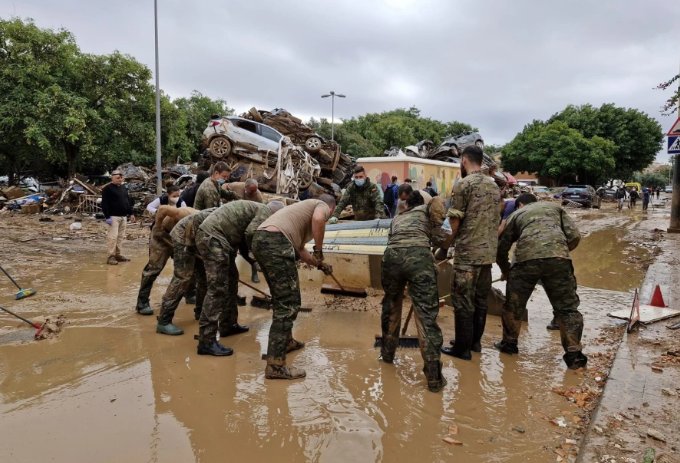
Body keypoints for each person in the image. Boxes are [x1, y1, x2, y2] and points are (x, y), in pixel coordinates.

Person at [495, 193, 587, 370]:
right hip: (558, 259)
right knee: (567, 308)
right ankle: (574, 355)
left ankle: (509, 344)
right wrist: (559, 252)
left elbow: (502, 247)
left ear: (520, 205)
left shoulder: (516, 215)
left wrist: (506, 270)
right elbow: (574, 236)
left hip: (524, 261)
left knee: (514, 305)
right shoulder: (555, 208)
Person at [252, 195, 336, 379]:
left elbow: (301, 251)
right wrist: (320, 251)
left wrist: (319, 264)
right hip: (276, 241)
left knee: (281, 298)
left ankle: (287, 342)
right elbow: (319, 219)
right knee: (289, 304)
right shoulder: (321, 205)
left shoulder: (299, 213)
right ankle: (275, 365)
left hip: (261, 239)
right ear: (333, 209)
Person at [194, 200, 285, 356]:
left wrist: (254, 261)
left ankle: (228, 325)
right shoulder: (264, 211)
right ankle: (206, 340)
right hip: (214, 238)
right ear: (275, 212)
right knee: (217, 288)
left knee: (231, 279)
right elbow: (251, 234)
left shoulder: (255, 213)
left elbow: (244, 244)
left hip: (220, 239)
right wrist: (257, 255)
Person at [380, 191, 448, 392]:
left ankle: (387, 356)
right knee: (426, 316)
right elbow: (439, 239)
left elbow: (393, 241)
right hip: (419, 257)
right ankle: (434, 378)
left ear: (407, 205)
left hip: (391, 257)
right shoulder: (429, 211)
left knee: (391, 306)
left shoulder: (397, 217)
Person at [440, 146, 501, 360]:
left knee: (462, 302)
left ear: (464, 160)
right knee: (480, 301)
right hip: (487, 257)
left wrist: (444, 246)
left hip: (467, 256)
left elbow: (453, 222)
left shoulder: (463, 184)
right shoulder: (494, 186)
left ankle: (461, 350)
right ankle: (474, 343)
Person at [156, 207, 216, 335]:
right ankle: (164, 321)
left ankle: (200, 312)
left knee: (204, 275)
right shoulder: (183, 214)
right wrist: (157, 227)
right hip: (183, 235)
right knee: (183, 277)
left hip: (201, 238)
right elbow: (162, 209)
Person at [135, 206, 197, 315]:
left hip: (182, 239)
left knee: (189, 267)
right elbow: (162, 209)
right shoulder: (186, 214)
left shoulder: (210, 229)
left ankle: (190, 294)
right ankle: (142, 302)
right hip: (163, 235)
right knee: (154, 267)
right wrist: (158, 227)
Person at [223, 178, 265, 283]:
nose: (254, 192)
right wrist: (225, 199)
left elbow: (260, 214)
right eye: (252, 190)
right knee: (231, 250)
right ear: (245, 187)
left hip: (248, 225)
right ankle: (230, 275)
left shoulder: (258, 197)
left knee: (249, 250)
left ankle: (254, 272)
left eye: (255, 190)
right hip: (233, 222)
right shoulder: (237, 186)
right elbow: (224, 186)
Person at [101, 170, 136, 265]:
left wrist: (131, 213)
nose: (120, 179)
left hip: (123, 216)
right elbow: (104, 203)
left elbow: (127, 202)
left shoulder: (124, 188)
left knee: (120, 237)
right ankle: (111, 256)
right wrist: (107, 216)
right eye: (118, 178)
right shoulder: (107, 189)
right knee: (113, 237)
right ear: (112, 178)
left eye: (121, 178)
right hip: (113, 216)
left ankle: (118, 254)